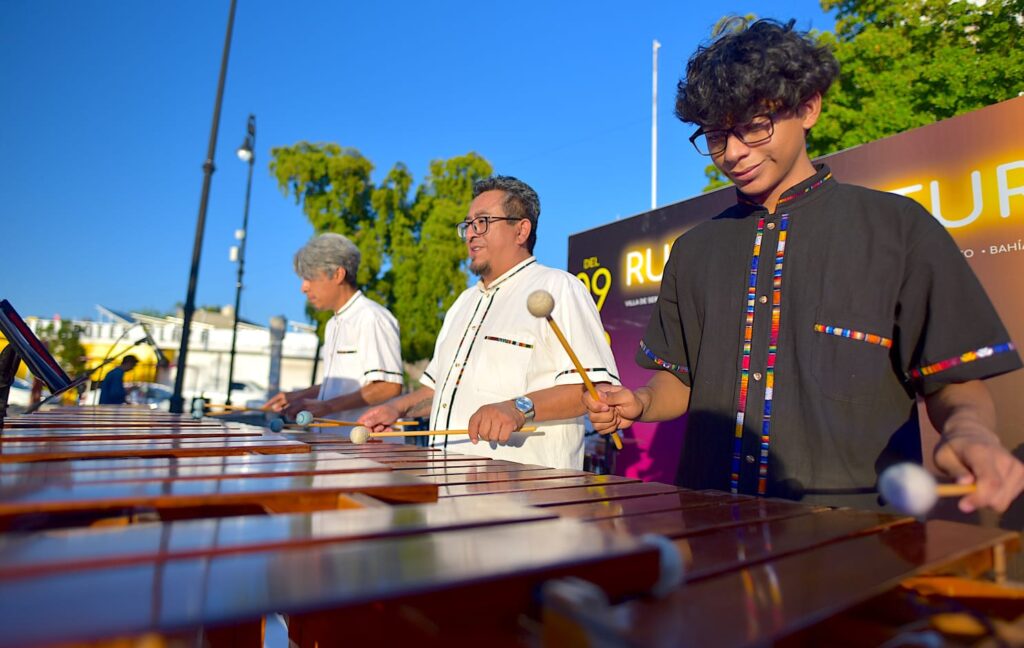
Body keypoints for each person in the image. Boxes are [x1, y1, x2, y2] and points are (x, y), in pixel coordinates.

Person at [584, 18, 1024, 513]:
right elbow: (680, 379)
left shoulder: (898, 228)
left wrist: (970, 432)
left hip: (858, 534)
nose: (733, 153)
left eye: (754, 125)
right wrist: (641, 402)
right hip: (710, 523)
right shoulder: (692, 250)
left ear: (808, 107)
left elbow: (955, 381)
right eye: (716, 135)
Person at [360, 175, 618, 470]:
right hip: (445, 481)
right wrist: (395, 408)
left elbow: (593, 390)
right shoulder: (462, 304)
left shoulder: (560, 287)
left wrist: (518, 408)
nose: (470, 234)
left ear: (521, 230)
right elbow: (439, 391)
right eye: (468, 225)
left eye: (482, 222)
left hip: (527, 490)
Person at [266, 233, 403, 434]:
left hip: (364, 446)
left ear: (338, 274)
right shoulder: (332, 324)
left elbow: (388, 386)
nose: (304, 287)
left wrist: (327, 407)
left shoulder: (371, 317)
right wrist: (299, 396)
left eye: (310, 278)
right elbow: (340, 386)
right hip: (335, 442)